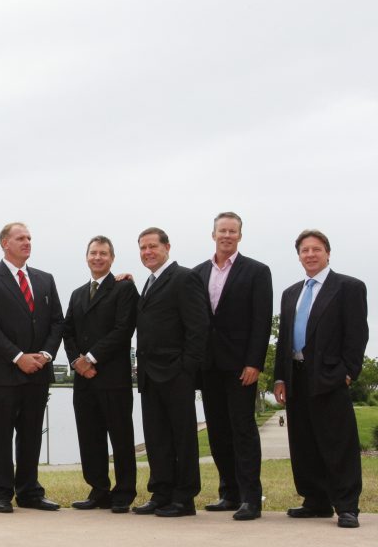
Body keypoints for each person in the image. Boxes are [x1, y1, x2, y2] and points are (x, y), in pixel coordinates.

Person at [274, 229, 368, 529]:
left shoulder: (348, 287)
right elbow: (284, 339)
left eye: (316, 249)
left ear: (327, 252)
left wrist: (349, 372)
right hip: (296, 376)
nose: (310, 255)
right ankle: (315, 501)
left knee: (337, 442)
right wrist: (279, 378)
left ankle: (346, 506)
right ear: (299, 255)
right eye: (304, 250)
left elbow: (357, 334)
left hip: (329, 376)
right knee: (303, 442)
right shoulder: (291, 293)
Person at [0, 222, 65, 513]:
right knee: (1, 433)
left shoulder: (45, 279)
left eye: (29, 238)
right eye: (20, 238)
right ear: (5, 243)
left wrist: (46, 355)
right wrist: (18, 357)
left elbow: (56, 322)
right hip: (4, 372)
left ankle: (30, 492)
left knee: (31, 433)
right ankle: (0, 492)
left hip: (38, 371)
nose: (27, 242)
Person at [193, 213, 272, 521]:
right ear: (213, 234)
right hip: (209, 366)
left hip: (241, 367)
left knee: (243, 431)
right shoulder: (198, 273)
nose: (226, 235)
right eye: (221, 230)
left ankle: (251, 498)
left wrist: (255, 362)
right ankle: (229, 493)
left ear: (240, 236)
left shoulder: (257, 271)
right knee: (218, 432)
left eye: (232, 231)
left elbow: (261, 321)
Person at [133, 227, 209, 518]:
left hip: (176, 373)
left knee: (183, 438)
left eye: (152, 246)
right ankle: (161, 492)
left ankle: (184, 497)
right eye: (142, 248)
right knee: (156, 438)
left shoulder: (184, 277)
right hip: (150, 375)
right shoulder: (149, 283)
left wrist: (186, 369)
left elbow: (198, 327)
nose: (148, 252)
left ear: (167, 247)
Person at [62, 236, 138, 513]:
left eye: (103, 253)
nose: (97, 258)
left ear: (112, 258)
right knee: (89, 435)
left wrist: (91, 358)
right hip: (83, 379)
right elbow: (67, 330)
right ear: (86, 257)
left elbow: (123, 329)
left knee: (120, 436)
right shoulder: (78, 293)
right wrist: (76, 362)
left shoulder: (124, 288)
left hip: (112, 376)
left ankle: (124, 492)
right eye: (93, 253)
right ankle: (98, 489)